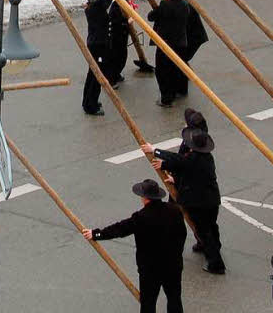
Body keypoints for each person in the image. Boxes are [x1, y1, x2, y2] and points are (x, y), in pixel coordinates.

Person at [82, 178, 186, 313]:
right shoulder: (174, 211)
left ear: (145, 198)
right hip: (173, 265)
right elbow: (182, 235)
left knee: (148, 303)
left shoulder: (141, 217)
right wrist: (176, 254)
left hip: (150, 269)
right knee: (174, 299)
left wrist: (96, 234)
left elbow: (120, 229)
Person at [144, 126, 225, 274]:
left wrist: (155, 150)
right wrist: (175, 178)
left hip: (199, 202)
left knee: (203, 231)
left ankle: (216, 262)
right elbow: (189, 171)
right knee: (211, 226)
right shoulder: (207, 158)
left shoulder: (193, 158)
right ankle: (215, 247)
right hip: (212, 199)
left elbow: (178, 161)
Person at [147, 0, 189, 108]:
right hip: (181, 43)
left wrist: (159, 8)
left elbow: (151, 16)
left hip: (166, 44)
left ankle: (166, 98)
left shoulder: (165, 5)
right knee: (178, 68)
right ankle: (180, 90)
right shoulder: (185, 5)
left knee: (162, 71)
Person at [82, 0, 111, 117]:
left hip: (95, 44)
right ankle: (91, 106)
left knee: (92, 73)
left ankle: (87, 102)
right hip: (98, 46)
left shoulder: (94, 8)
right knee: (96, 75)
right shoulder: (94, 10)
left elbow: (104, 0)